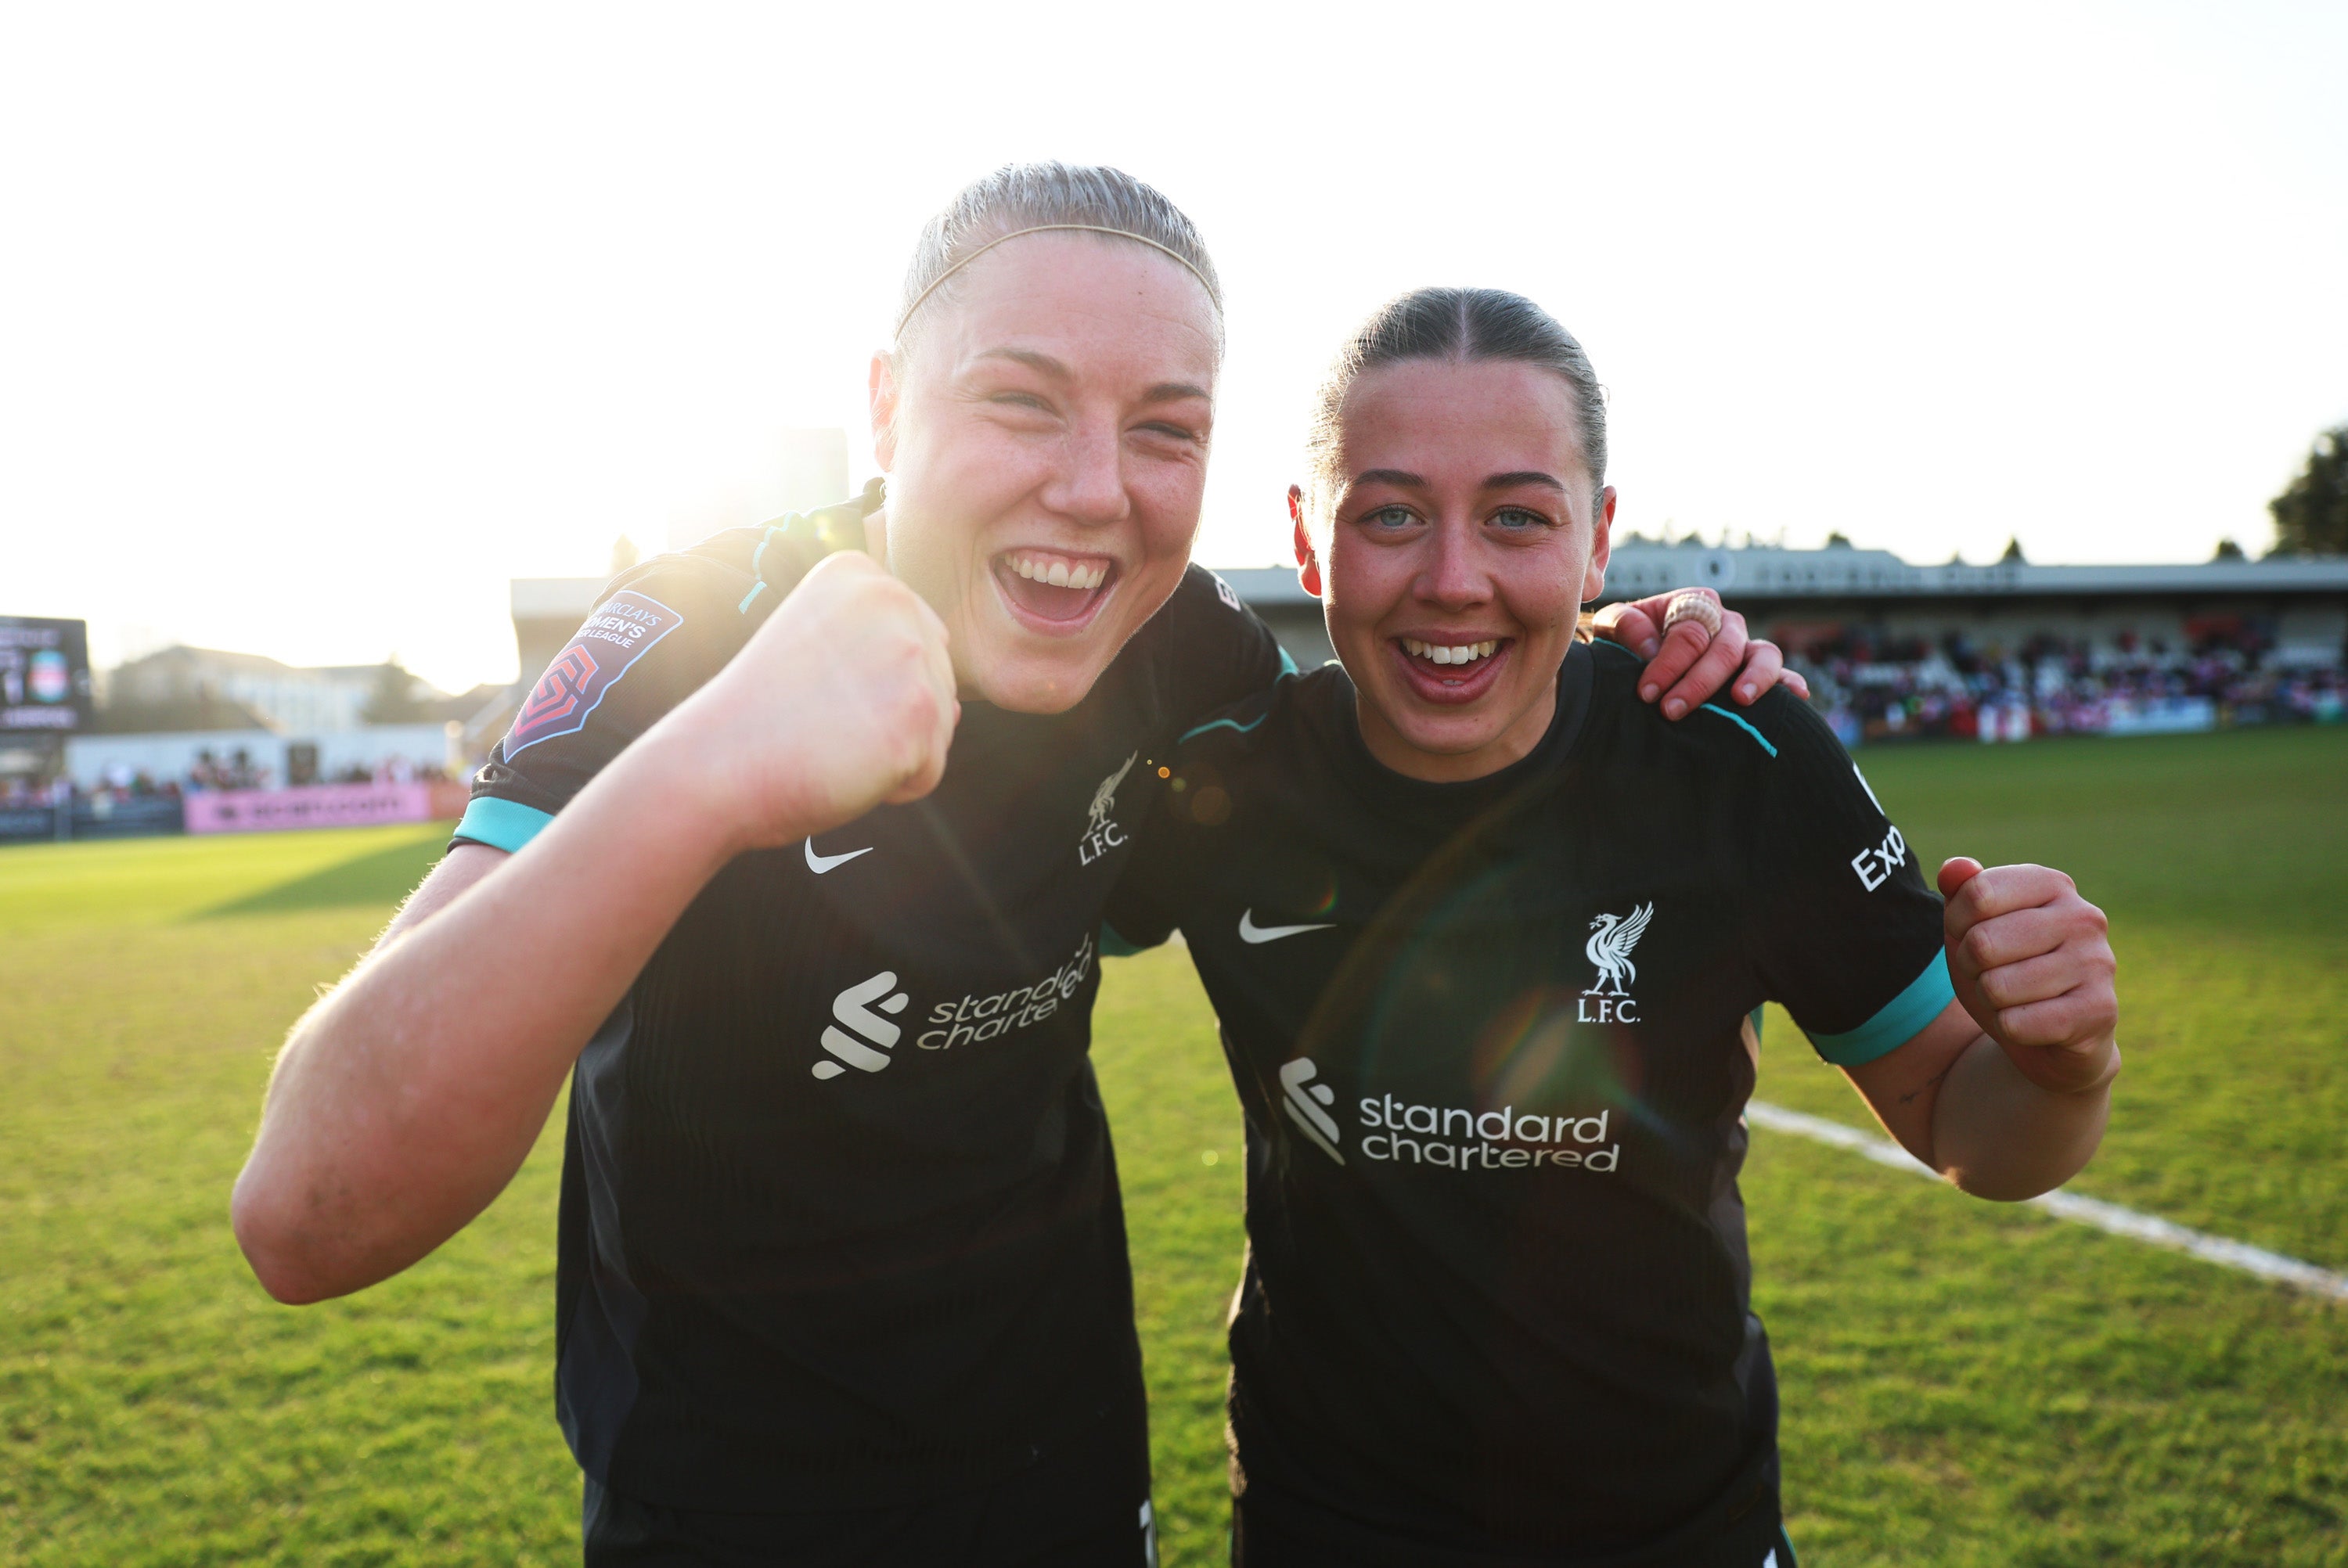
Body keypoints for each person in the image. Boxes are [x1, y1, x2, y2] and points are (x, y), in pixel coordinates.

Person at [229, 170, 1792, 1566]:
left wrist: (1601, 649)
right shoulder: (692, 637)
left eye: (1165, 426)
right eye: (1024, 403)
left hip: (1067, 1486)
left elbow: (1437, 738)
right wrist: (705, 777)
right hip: (726, 1508)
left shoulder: (1193, 661)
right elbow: (311, 1216)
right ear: (889, 410)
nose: (1097, 488)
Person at [1104, 288, 2121, 1567]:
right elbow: (999, 942)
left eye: (1519, 516)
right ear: (1311, 541)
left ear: (1598, 545)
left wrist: (2062, 1066)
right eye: (1392, 514)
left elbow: (1969, 1123)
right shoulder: (1224, 783)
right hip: (1329, 1525)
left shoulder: (1732, 756)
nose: (1454, 579)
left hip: (1677, 1529)